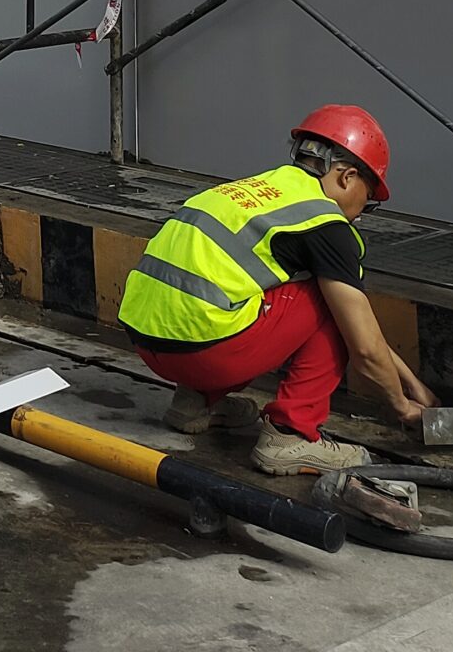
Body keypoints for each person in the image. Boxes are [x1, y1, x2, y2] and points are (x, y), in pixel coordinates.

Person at [116, 104, 436, 474]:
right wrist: (402, 405)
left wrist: (412, 383)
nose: (361, 213)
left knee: (258, 294)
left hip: (146, 341)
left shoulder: (259, 191)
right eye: (369, 199)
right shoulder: (324, 222)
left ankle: (195, 403)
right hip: (204, 353)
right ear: (347, 177)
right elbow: (363, 345)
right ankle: (290, 435)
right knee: (326, 300)